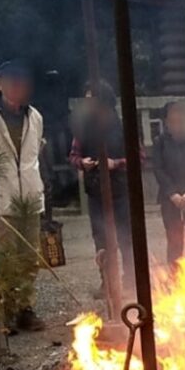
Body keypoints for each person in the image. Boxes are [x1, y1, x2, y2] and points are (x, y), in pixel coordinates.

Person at [0, 60, 45, 331]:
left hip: (29, 195)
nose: (17, 86)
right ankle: (2, 312)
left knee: (29, 257)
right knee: (3, 257)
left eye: (22, 82)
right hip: (0, 197)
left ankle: (24, 308)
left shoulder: (35, 117)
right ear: (1, 82)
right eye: (12, 80)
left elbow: (34, 155)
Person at [69, 80, 134, 295]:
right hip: (96, 191)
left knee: (127, 238)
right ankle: (107, 283)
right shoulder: (84, 127)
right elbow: (74, 154)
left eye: (92, 100)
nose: (88, 105)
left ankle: (132, 280)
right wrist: (82, 163)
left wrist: (117, 163)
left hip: (121, 191)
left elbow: (139, 157)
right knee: (102, 240)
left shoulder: (123, 126)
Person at [152, 101, 185, 270]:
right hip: (170, 197)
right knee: (174, 237)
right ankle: (175, 275)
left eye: (180, 118)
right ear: (166, 121)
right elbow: (158, 169)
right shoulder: (160, 142)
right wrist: (172, 194)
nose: (176, 122)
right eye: (172, 119)